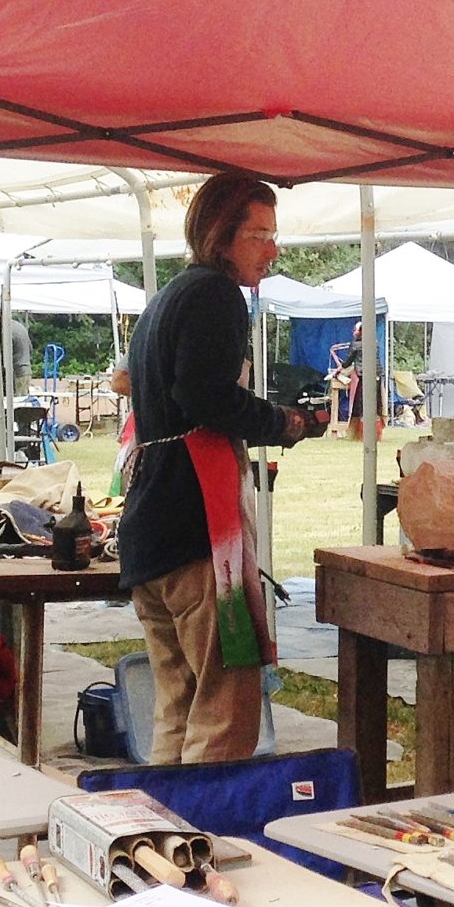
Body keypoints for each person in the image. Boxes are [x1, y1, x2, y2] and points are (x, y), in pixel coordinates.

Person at [119, 172, 319, 762]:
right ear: (220, 235)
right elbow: (204, 396)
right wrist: (283, 423)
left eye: (272, 235)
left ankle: (162, 841)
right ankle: (206, 839)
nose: (272, 250)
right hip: (194, 529)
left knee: (177, 706)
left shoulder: (167, 298)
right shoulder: (214, 295)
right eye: (259, 235)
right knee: (223, 711)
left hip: (155, 525)